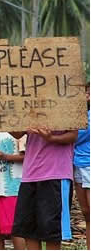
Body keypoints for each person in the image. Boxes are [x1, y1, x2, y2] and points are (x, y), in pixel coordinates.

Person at [0, 109, 77, 250]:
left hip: (55, 174)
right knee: (29, 232)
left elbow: (73, 135)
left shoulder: (66, 101)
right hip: (29, 176)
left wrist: (51, 138)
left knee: (52, 233)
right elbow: (19, 133)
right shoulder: (29, 103)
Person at [74, 85, 90, 249]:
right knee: (86, 213)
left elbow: (74, 137)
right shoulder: (78, 116)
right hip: (78, 165)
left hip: (89, 165)